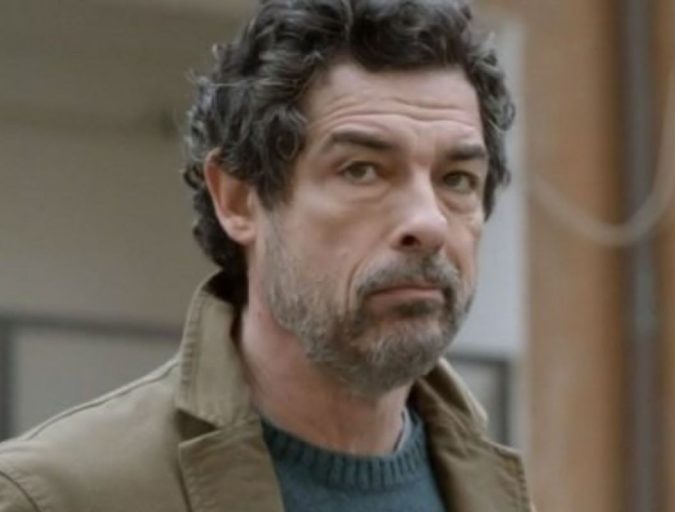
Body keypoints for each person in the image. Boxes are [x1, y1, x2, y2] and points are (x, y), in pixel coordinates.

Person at [0, 0, 532, 510]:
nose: (429, 222)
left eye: (457, 179)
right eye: (362, 170)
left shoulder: (500, 495)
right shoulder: (54, 497)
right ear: (237, 199)